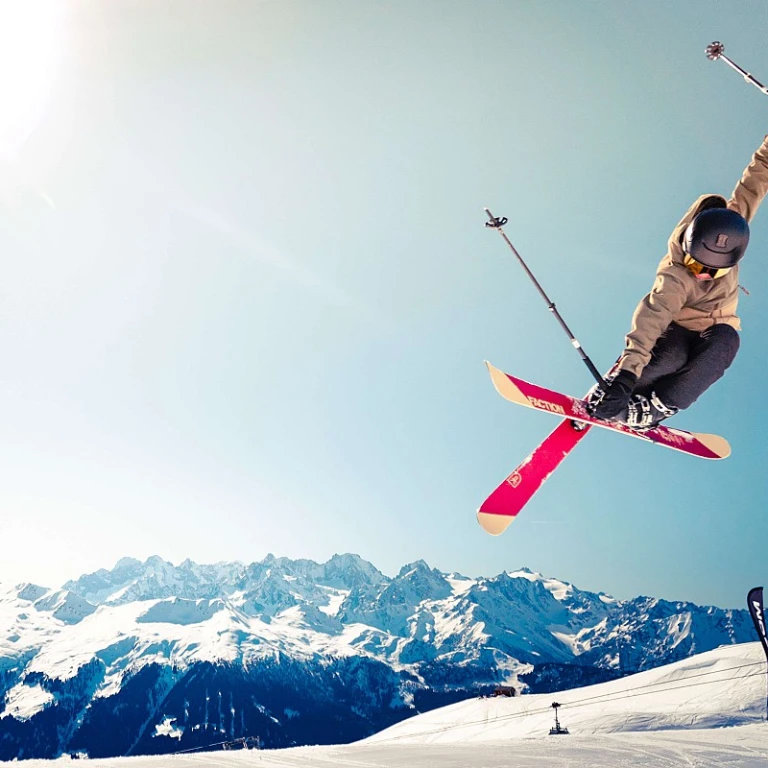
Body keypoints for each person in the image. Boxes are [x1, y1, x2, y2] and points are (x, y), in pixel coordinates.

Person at [590, 133, 768, 429]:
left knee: (727, 342)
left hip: (713, 333)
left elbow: (757, 177)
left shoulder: (734, 224)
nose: (702, 274)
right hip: (675, 331)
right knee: (670, 358)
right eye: (696, 264)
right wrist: (625, 376)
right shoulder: (676, 274)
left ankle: (656, 407)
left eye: (713, 271)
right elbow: (651, 318)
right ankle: (622, 391)